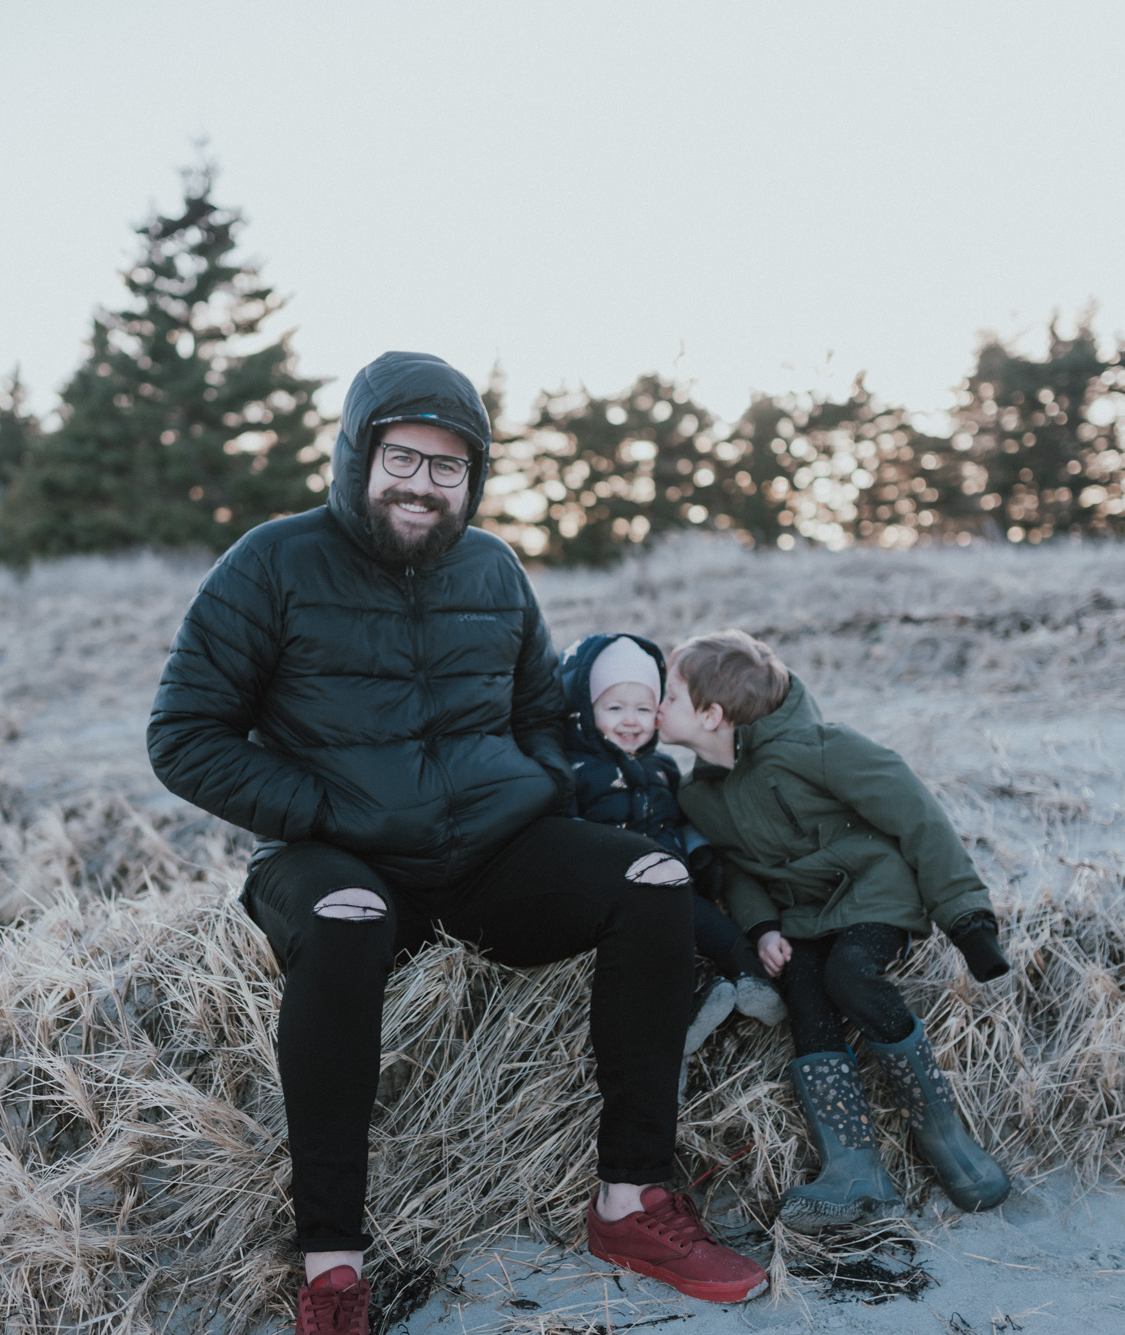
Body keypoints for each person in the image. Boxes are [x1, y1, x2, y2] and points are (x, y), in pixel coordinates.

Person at [148, 352, 768, 1335]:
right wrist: (321, 802)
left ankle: (630, 1203)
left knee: (650, 881)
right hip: (333, 852)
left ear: (471, 478)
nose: (422, 484)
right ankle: (332, 1273)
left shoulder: (492, 569)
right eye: (403, 457)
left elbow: (534, 710)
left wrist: (529, 789)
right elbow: (182, 738)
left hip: (485, 856)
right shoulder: (270, 563)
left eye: (448, 467)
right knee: (347, 921)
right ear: (357, 455)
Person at [656, 629, 1012, 1232]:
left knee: (849, 974)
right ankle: (854, 1169)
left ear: (711, 715)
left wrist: (966, 919)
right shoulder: (700, 795)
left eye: (668, 694)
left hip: (875, 895)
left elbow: (918, 815)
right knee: (804, 988)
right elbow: (738, 868)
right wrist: (763, 926)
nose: (656, 704)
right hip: (803, 919)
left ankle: (944, 1135)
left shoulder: (819, 749)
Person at [556, 632, 785, 1079]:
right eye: (614, 708)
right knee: (657, 952)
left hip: (675, 882)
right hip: (620, 891)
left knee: (711, 924)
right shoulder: (576, 770)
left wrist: (701, 857)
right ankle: (686, 1015)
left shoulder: (662, 767)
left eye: (644, 709)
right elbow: (566, 830)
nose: (631, 721)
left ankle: (752, 979)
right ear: (584, 711)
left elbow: (682, 820)